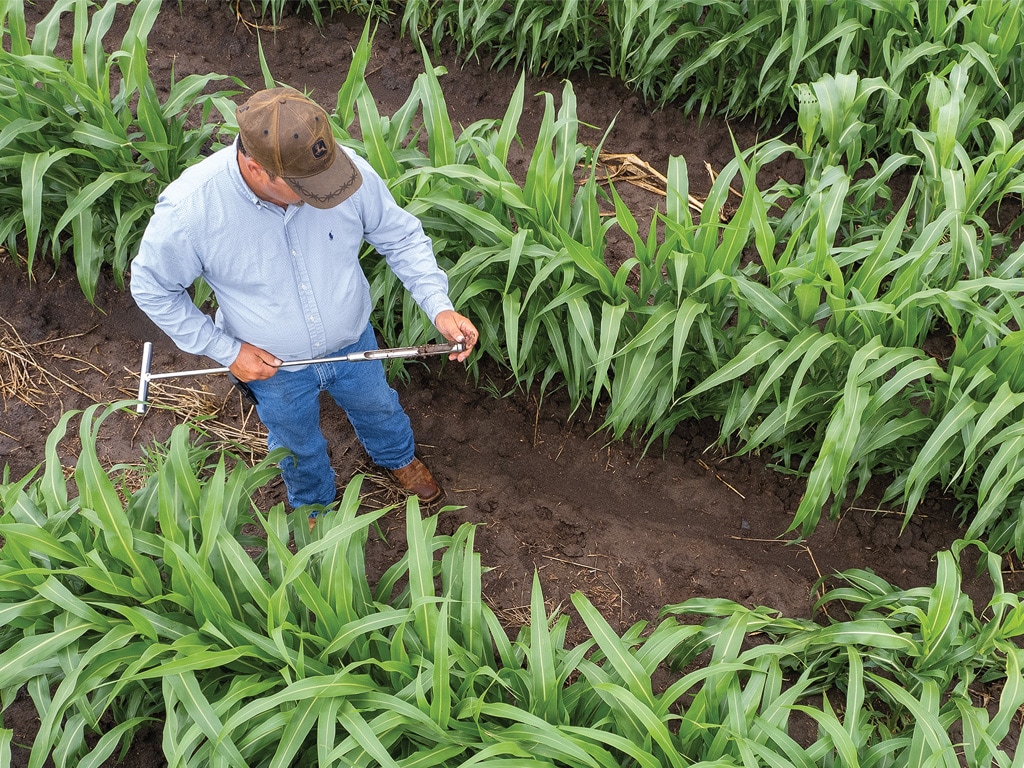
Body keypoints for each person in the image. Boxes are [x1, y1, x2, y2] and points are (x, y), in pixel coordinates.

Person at [130, 87, 478, 525]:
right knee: (294, 439)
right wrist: (228, 352)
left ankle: (397, 458)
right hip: (273, 367)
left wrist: (438, 305)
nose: (325, 193)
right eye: (306, 189)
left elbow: (400, 236)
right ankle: (313, 502)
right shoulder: (191, 211)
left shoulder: (337, 169)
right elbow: (152, 288)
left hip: (355, 341)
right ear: (257, 167)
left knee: (379, 406)